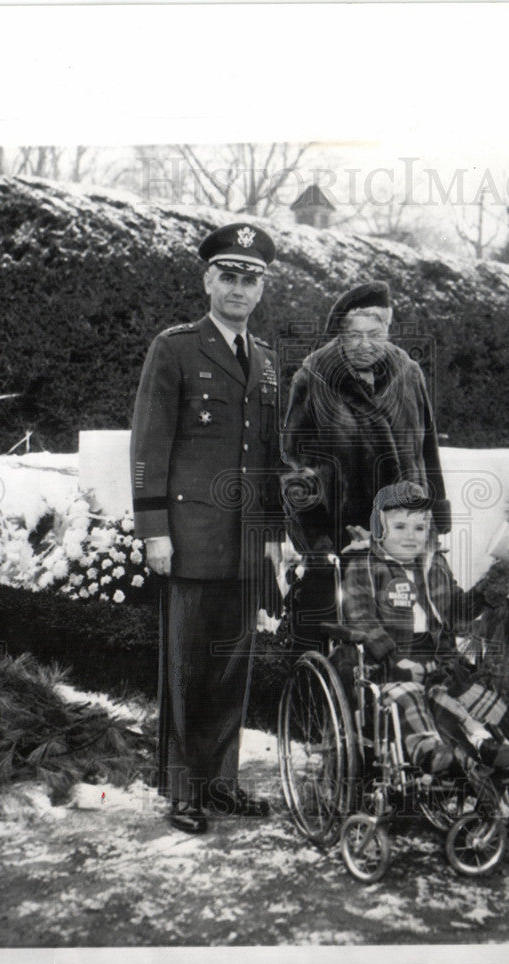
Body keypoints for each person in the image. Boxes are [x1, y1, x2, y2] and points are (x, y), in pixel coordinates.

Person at [130, 222, 284, 834]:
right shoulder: (175, 348)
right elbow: (149, 443)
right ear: (207, 281)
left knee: (231, 668)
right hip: (190, 538)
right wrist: (153, 529)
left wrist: (273, 532)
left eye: (251, 280)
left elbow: (270, 455)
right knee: (189, 669)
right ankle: (183, 789)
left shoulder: (269, 362)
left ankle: (221, 783)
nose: (240, 289)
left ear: (261, 289)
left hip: (245, 545)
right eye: (230, 276)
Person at [341, 482, 509, 777]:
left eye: (419, 528)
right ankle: (432, 751)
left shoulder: (435, 565)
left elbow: (457, 616)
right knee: (410, 694)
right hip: (388, 663)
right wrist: (392, 657)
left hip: (438, 661)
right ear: (380, 527)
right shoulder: (365, 565)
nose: (410, 537)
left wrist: (486, 590)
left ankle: (485, 744)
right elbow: (361, 617)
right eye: (400, 526)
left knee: (463, 697)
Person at [281, 281, 450, 555]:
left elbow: (428, 451)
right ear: (340, 334)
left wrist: (436, 522)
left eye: (375, 334)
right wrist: (316, 536)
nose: (365, 344)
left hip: (408, 533)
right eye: (354, 335)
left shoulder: (409, 374)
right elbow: (293, 462)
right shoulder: (313, 378)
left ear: (388, 330)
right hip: (344, 533)